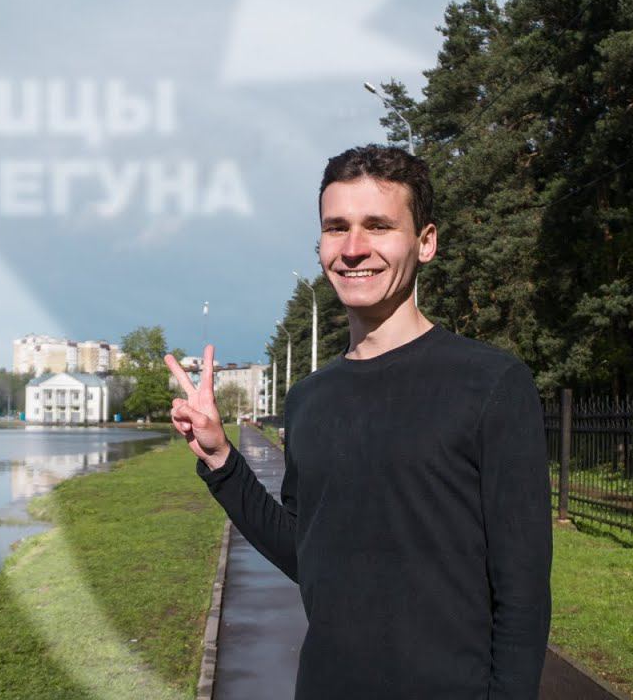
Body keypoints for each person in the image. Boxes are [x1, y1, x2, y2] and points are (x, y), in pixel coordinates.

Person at [165, 144, 552, 699]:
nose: (353, 249)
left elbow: (523, 593)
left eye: (378, 226)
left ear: (425, 242)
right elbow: (305, 553)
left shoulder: (491, 384)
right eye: (336, 228)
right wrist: (221, 459)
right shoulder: (309, 400)